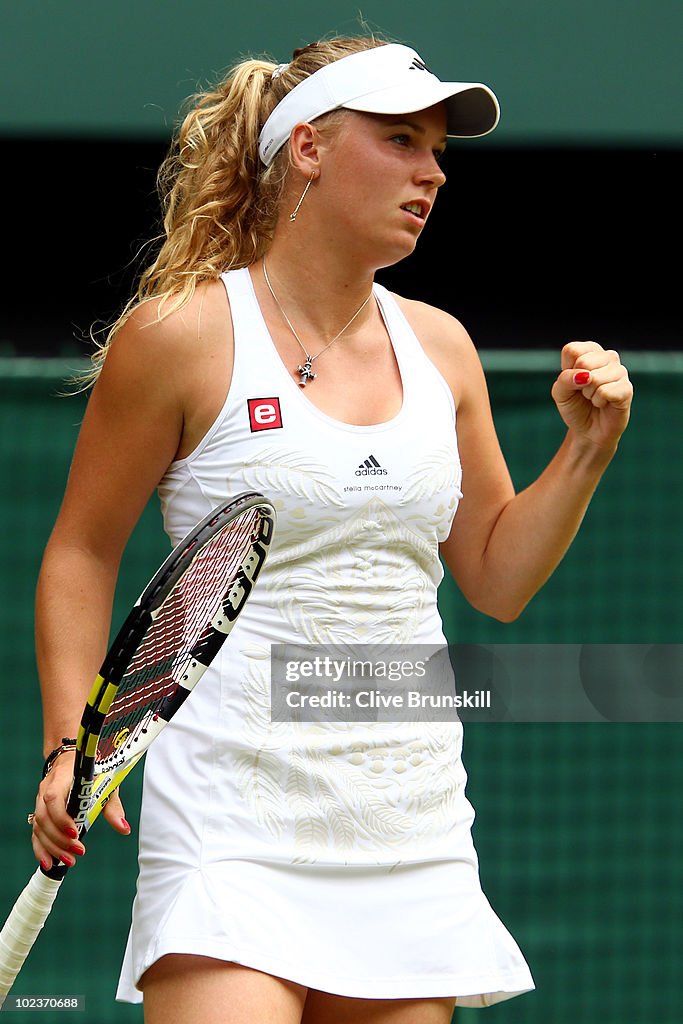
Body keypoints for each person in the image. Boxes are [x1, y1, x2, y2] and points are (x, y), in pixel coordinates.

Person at [29, 35, 632, 1024]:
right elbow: (80, 551)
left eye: (437, 149)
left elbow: (495, 576)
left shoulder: (442, 348)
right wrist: (71, 742)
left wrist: (585, 451)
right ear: (306, 149)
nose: (431, 170)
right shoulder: (179, 334)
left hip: (408, 822)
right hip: (229, 821)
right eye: (399, 140)